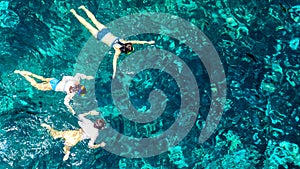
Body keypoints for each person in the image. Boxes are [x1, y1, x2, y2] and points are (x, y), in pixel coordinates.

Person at [70, 5, 155, 79]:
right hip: (100, 37)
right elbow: (114, 62)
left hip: (105, 31)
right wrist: (114, 72)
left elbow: (137, 42)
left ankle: (83, 8)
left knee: (93, 19)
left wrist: (148, 42)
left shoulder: (124, 41)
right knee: (87, 24)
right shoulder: (117, 51)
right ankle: (74, 13)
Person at [14, 70, 93, 115]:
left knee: (41, 78)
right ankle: (23, 75)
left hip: (54, 80)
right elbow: (65, 102)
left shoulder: (75, 82)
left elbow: (70, 76)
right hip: (53, 87)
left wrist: (86, 77)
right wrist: (71, 110)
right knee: (36, 85)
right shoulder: (71, 94)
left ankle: (25, 72)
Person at [41, 110, 106, 161]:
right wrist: (100, 145)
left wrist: (89, 113)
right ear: (102, 128)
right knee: (67, 146)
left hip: (73, 133)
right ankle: (67, 153)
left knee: (56, 134)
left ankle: (48, 127)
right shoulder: (95, 134)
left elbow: (79, 116)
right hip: (76, 138)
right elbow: (90, 146)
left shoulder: (88, 122)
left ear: (95, 122)